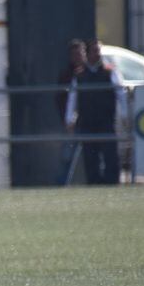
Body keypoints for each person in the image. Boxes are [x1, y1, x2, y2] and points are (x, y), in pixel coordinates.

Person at [64, 38, 126, 185]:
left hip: (106, 120)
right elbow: (72, 98)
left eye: (99, 51)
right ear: (88, 53)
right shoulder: (79, 75)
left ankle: (112, 183)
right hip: (87, 121)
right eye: (95, 51)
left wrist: (125, 115)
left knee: (110, 154)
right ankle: (94, 184)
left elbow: (121, 94)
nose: (97, 54)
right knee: (90, 157)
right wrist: (69, 119)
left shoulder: (110, 72)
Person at [57, 39, 86, 185]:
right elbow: (62, 100)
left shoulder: (90, 74)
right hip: (72, 124)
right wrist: (68, 120)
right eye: (74, 54)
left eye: (80, 53)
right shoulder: (66, 75)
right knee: (67, 156)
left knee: (94, 154)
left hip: (89, 121)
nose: (78, 57)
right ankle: (63, 183)